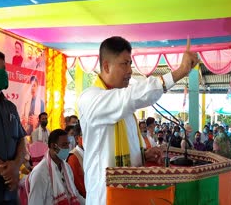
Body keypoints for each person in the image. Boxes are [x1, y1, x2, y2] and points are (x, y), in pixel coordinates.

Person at [77, 36, 198, 204]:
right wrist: (178, 73)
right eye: (124, 64)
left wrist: (143, 155)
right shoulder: (90, 99)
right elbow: (130, 97)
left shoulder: (125, 110)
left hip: (131, 195)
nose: (130, 71)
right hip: (104, 198)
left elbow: (130, 146)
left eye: (130, 64)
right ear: (106, 66)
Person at [0, 49, 27, 204]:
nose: (0, 72)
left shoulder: (11, 107)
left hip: (11, 188)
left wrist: (16, 166)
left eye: (3, 69)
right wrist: (7, 171)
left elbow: (22, 140)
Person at [27, 129, 85, 205]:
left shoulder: (67, 167)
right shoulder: (40, 173)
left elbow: (75, 193)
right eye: (64, 145)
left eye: (68, 144)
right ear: (53, 146)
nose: (67, 148)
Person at [67, 124, 86, 198]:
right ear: (77, 138)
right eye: (84, 135)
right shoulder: (73, 158)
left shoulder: (89, 154)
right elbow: (79, 186)